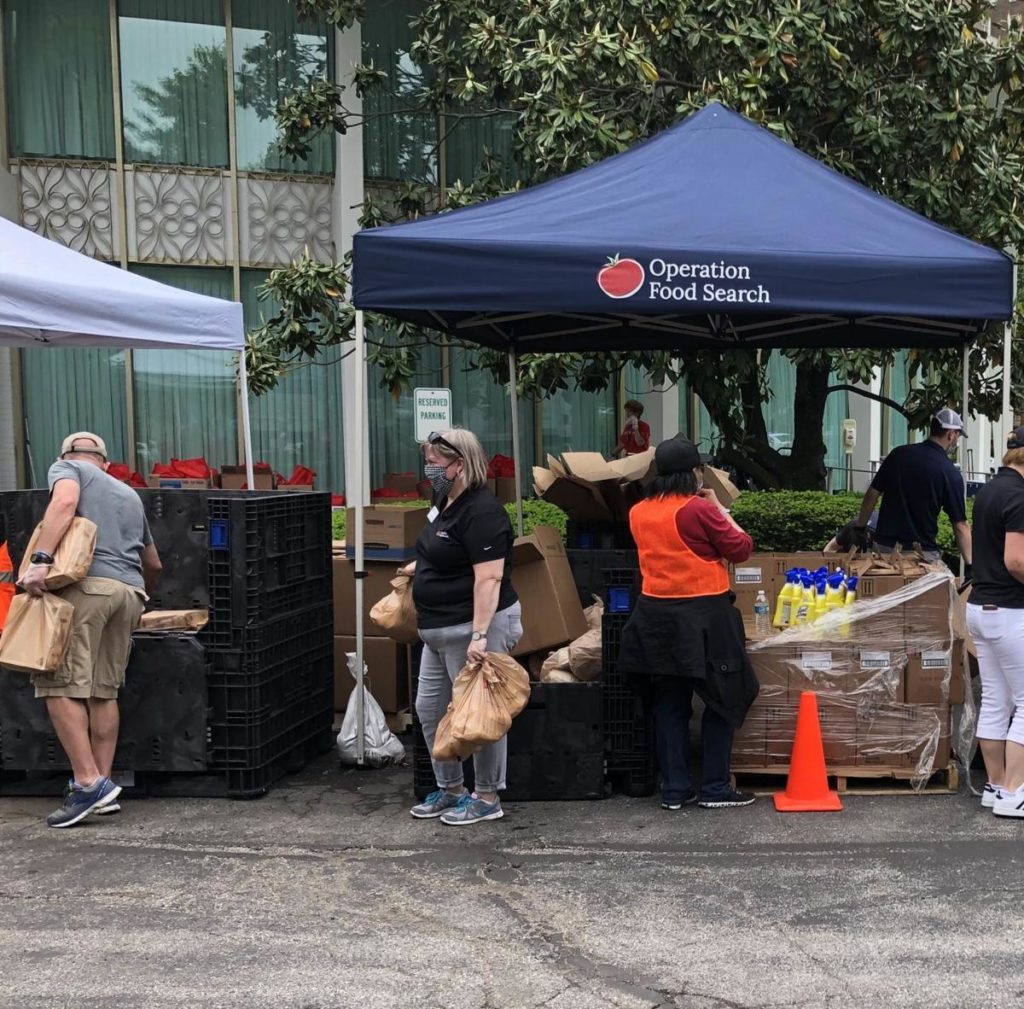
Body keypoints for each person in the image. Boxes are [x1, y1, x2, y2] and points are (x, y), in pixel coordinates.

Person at [18, 432, 162, 828]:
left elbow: (63, 503)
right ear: (107, 463)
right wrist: (134, 598)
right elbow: (154, 563)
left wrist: (41, 560)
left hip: (86, 587)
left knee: (57, 681)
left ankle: (86, 782)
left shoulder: (66, 469)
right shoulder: (130, 495)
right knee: (103, 690)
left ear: (64, 455)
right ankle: (103, 786)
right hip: (129, 593)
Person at [616, 437, 759, 810]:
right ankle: (714, 787)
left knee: (670, 704)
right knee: (722, 698)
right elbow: (741, 548)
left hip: (655, 617)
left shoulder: (638, 511)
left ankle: (675, 790)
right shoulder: (698, 510)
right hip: (706, 615)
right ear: (694, 473)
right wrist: (720, 508)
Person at [401, 428, 522, 827]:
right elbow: (447, 547)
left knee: (480, 714)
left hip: (470, 628)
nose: (430, 469)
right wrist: (422, 567)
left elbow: (487, 578)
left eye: (436, 462)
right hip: (436, 630)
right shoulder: (445, 501)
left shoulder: (483, 512)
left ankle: (486, 795)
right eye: (429, 461)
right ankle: (451, 789)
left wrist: (480, 635)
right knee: (429, 709)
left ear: (461, 464)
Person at [964, 426, 1024, 818]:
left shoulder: (989, 491)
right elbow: (1016, 560)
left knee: (996, 703)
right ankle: (1016, 791)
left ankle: (996, 786)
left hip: (980, 608)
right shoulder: (1019, 497)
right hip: (1012, 612)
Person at [853, 408, 972, 564]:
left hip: (884, 551)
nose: (956, 441)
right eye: (957, 436)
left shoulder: (898, 455)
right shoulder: (950, 472)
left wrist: (861, 528)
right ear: (951, 435)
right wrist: (971, 565)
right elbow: (960, 525)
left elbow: (872, 494)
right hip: (922, 556)